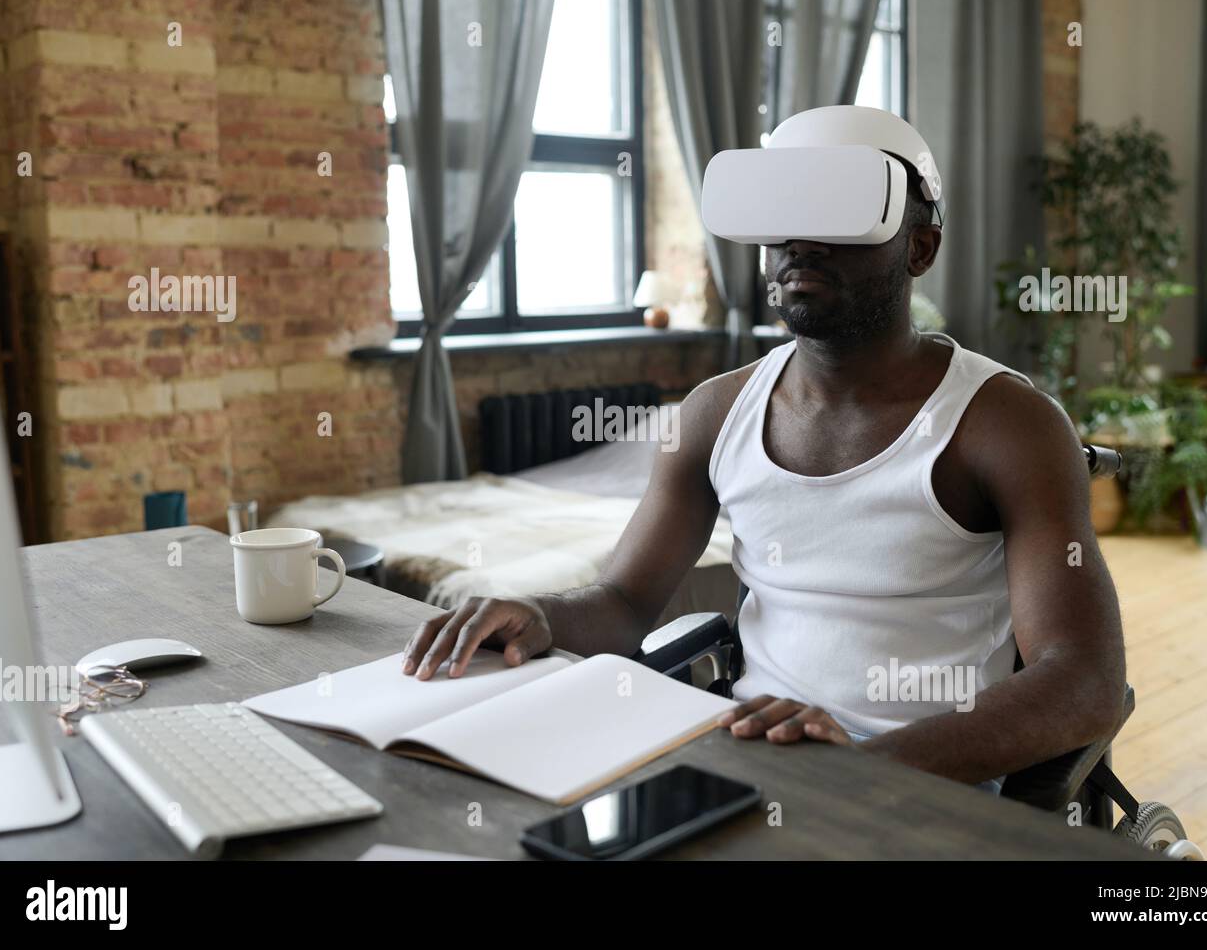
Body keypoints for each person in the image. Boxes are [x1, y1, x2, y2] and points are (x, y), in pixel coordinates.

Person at [401, 110, 1126, 790]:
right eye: (784, 215)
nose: (801, 242)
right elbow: (624, 600)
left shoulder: (1006, 424)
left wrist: (862, 772)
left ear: (920, 248)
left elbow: (1083, 682)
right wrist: (542, 613)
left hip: (925, 786)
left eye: (840, 214)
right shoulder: (715, 413)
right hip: (754, 762)